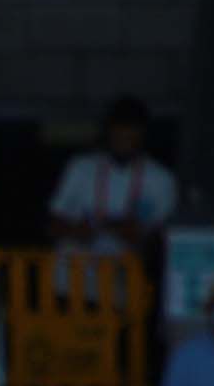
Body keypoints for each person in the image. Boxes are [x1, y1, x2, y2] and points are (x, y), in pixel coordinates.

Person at [47, 95, 176, 301]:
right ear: (107, 134)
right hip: (73, 284)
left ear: (142, 136)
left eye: (131, 138)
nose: (124, 144)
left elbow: (164, 237)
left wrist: (138, 234)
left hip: (123, 282)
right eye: (118, 137)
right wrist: (75, 230)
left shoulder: (160, 179)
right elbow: (53, 223)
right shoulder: (81, 168)